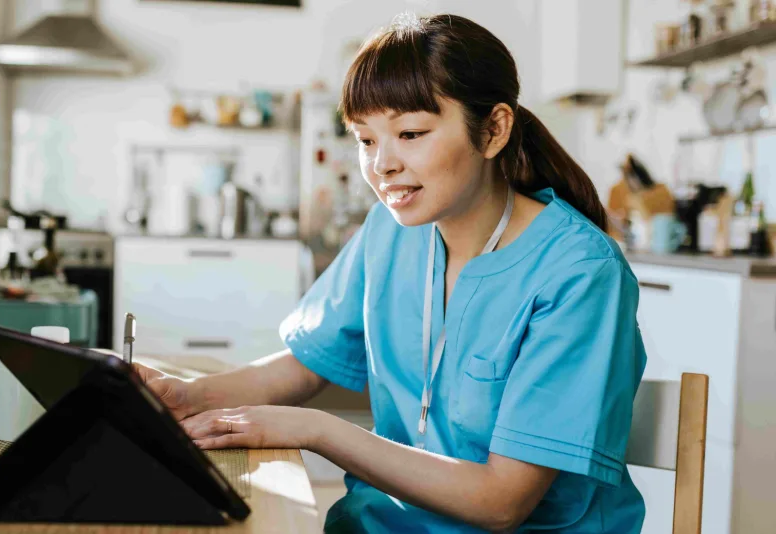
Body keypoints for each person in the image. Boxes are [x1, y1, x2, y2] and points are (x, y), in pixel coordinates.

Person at [135, 13, 647, 533]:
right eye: (364, 140)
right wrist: (187, 396)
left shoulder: (579, 274)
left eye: (410, 133)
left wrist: (318, 431)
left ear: (493, 130)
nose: (382, 164)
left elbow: (501, 503)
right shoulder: (391, 230)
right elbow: (308, 364)